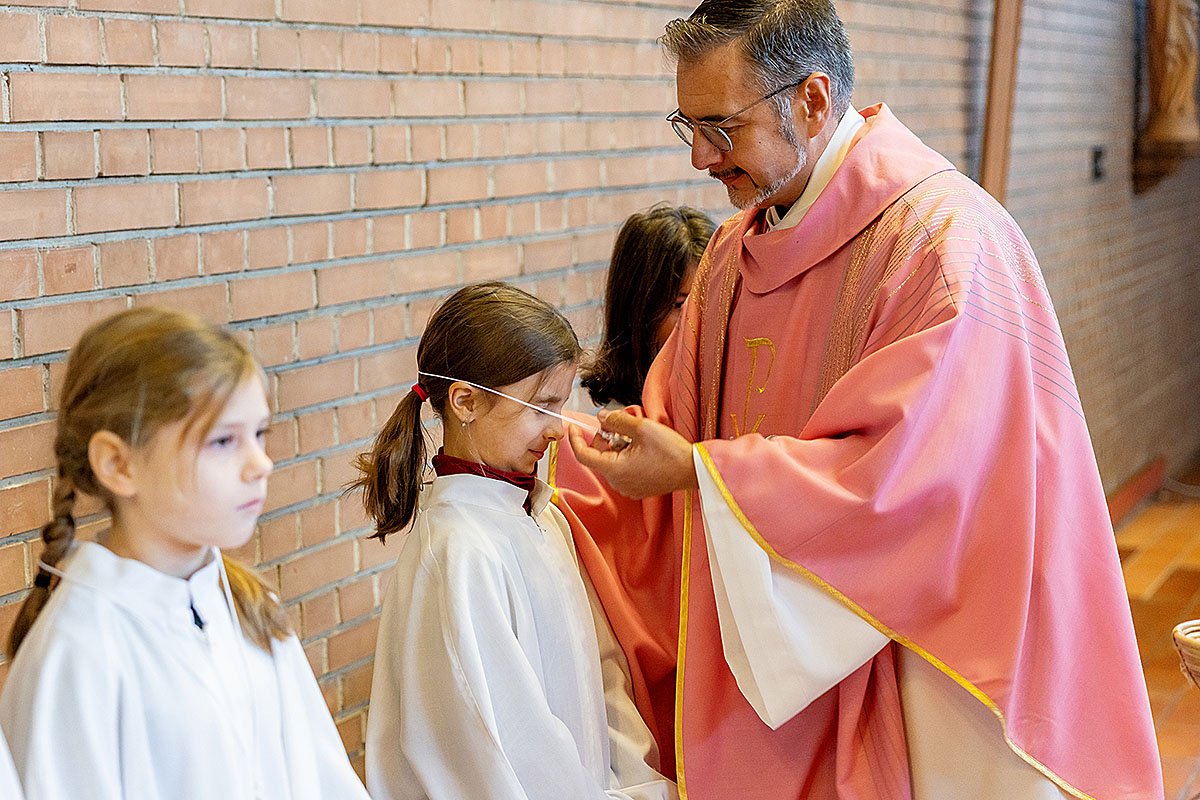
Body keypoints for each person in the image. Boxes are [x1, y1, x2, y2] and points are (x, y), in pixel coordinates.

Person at [557, 1, 1163, 798]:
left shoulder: (941, 245)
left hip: (937, 656)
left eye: (720, 128)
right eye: (688, 126)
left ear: (811, 100)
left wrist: (702, 472)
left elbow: (909, 479)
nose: (701, 157)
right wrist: (546, 453)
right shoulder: (734, 255)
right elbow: (675, 422)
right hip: (793, 665)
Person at [0, 307, 370, 800]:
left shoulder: (247, 605)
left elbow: (323, 778)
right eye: (223, 441)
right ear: (118, 464)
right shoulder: (80, 652)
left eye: (260, 434)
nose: (261, 463)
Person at [354, 282, 674, 800]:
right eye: (540, 407)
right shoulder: (458, 553)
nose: (558, 430)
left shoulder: (543, 518)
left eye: (561, 406)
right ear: (465, 401)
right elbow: (510, 752)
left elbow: (602, 676)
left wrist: (641, 783)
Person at [581, 205, 716, 408]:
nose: (701, 320)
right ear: (638, 312)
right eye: (679, 305)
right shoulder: (626, 421)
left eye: (712, 302)